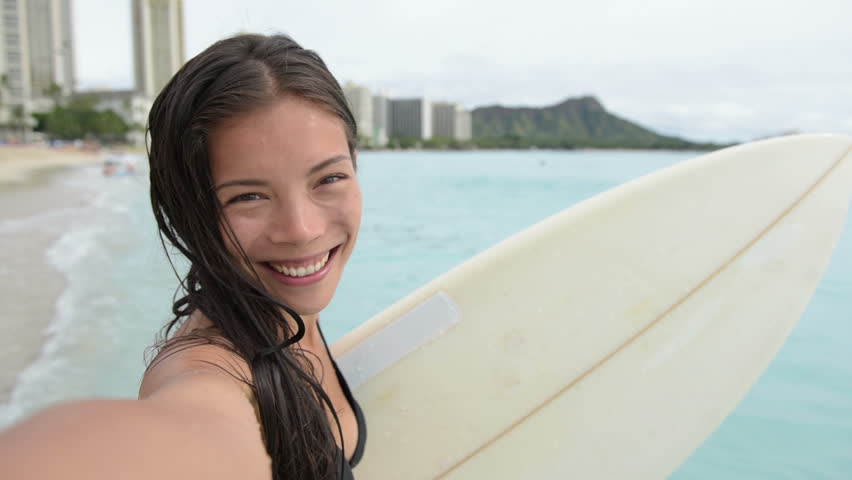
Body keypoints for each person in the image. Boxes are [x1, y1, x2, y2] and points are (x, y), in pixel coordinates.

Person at [0, 33, 366, 480]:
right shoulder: (209, 370)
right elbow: (190, 428)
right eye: (248, 196)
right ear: (190, 211)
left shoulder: (286, 304)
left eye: (327, 179)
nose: (302, 230)